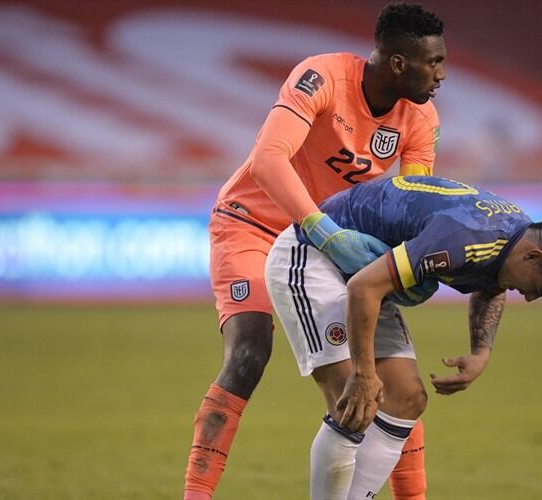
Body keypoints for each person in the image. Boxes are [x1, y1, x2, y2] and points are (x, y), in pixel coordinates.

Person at [183, 4, 446, 499]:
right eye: (432, 62)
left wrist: (409, 261)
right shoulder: (320, 75)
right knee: (249, 353)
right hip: (252, 225)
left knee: (396, 381)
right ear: (397, 63)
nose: (442, 74)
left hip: (328, 248)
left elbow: (411, 204)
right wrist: (321, 229)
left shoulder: (420, 118)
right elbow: (267, 159)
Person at [265, 175, 542, 499]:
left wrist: (480, 351)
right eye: (538, 290)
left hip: (363, 275)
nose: (528, 298)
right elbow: (364, 287)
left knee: (408, 398)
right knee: (354, 405)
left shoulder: (514, 238)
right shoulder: (465, 236)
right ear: (533, 256)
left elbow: (491, 285)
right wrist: (364, 374)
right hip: (312, 257)